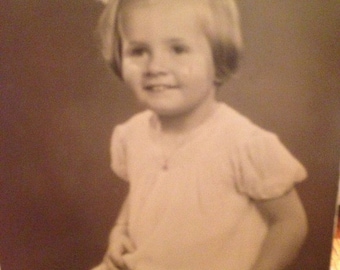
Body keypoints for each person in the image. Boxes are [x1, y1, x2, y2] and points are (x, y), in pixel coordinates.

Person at [92, 0, 308, 269]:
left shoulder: (243, 144)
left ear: (218, 60)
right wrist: (120, 229)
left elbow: (290, 223)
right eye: (138, 51)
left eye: (178, 49)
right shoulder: (131, 135)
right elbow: (143, 192)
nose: (155, 66)